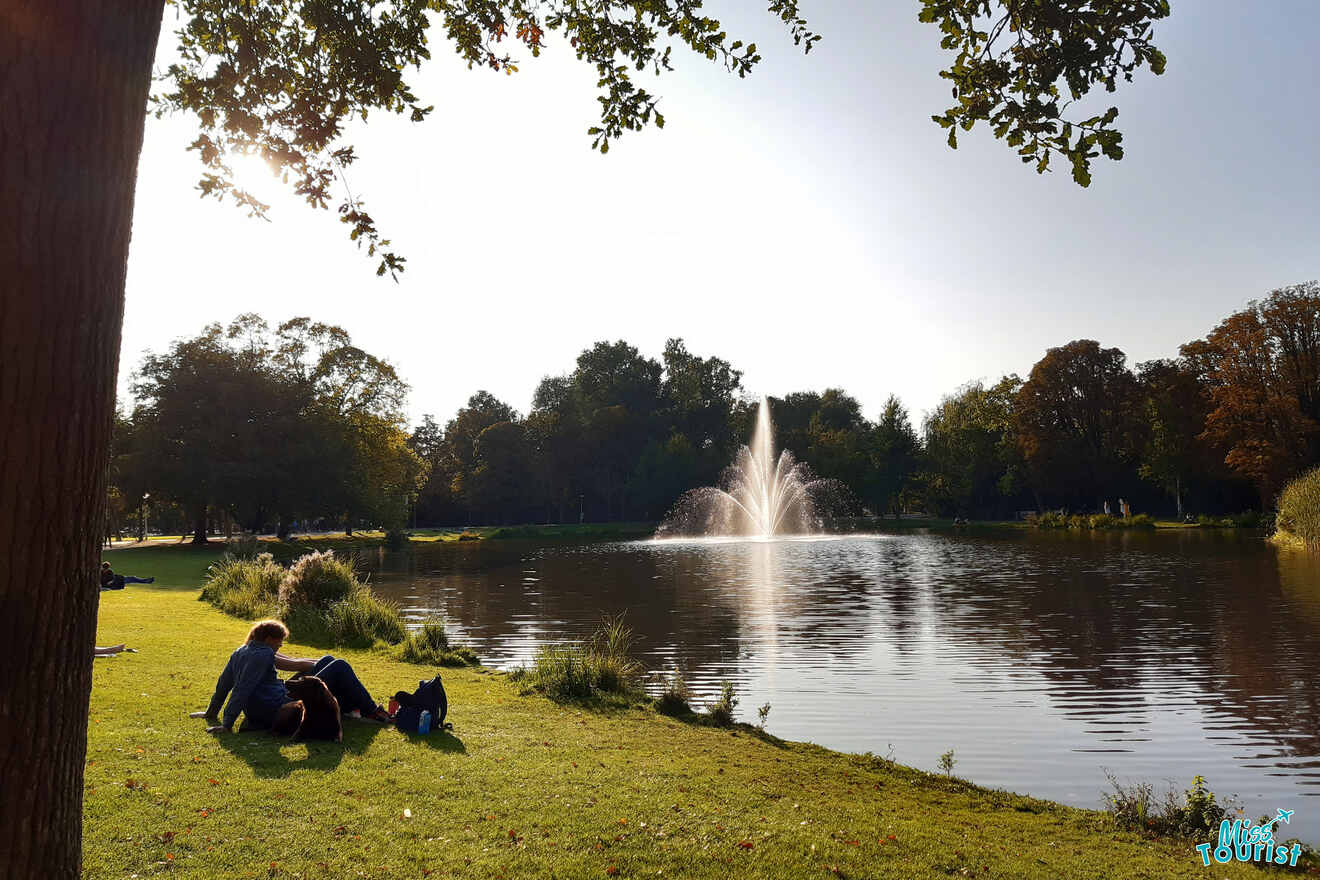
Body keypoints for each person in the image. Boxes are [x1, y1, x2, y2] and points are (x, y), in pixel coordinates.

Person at [194, 619, 389, 733]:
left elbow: (223, 683)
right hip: (276, 708)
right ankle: (371, 711)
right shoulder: (263, 655)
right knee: (339, 666)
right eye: (279, 641)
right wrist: (227, 723)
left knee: (329, 661)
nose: (280, 645)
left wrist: (212, 712)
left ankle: (349, 709)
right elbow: (242, 688)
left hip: (268, 702)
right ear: (269, 639)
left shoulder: (242, 651)